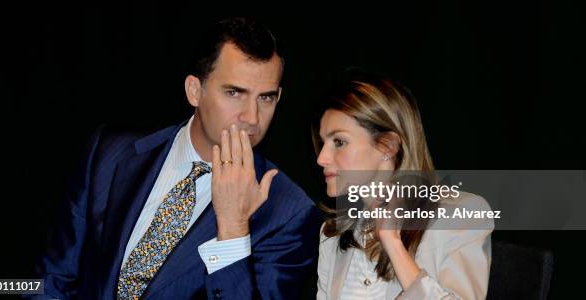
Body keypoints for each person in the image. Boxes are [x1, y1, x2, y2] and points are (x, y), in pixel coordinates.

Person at [32, 17, 320, 299]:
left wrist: (233, 229)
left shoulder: (289, 213)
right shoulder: (109, 153)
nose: (252, 117)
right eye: (234, 92)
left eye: (266, 98)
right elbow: (55, 278)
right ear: (194, 91)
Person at [313, 70, 493, 299]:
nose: (322, 157)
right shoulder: (333, 232)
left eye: (339, 142)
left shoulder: (462, 214)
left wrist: (393, 245)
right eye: (323, 142)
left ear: (387, 146)